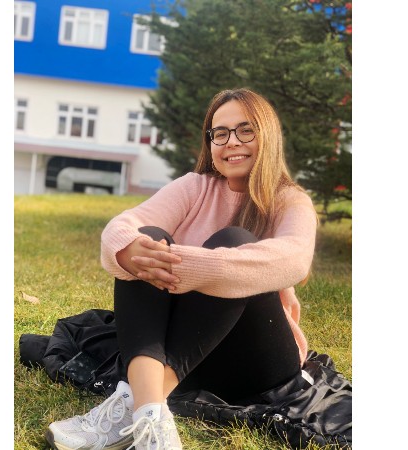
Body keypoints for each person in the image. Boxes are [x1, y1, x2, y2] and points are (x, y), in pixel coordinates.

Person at [46, 88, 318, 450]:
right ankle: (148, 415)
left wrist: (191, 264)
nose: (231, 142)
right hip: (191, 357)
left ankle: (133, 403)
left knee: (233, 241)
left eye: (245, 130)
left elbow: (294, 260)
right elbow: (122, 226)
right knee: (146, 240)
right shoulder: (194, 187)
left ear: (267, 135)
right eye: (220, 133)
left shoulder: (290, 200)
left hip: (259, 364)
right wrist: (128, 250)